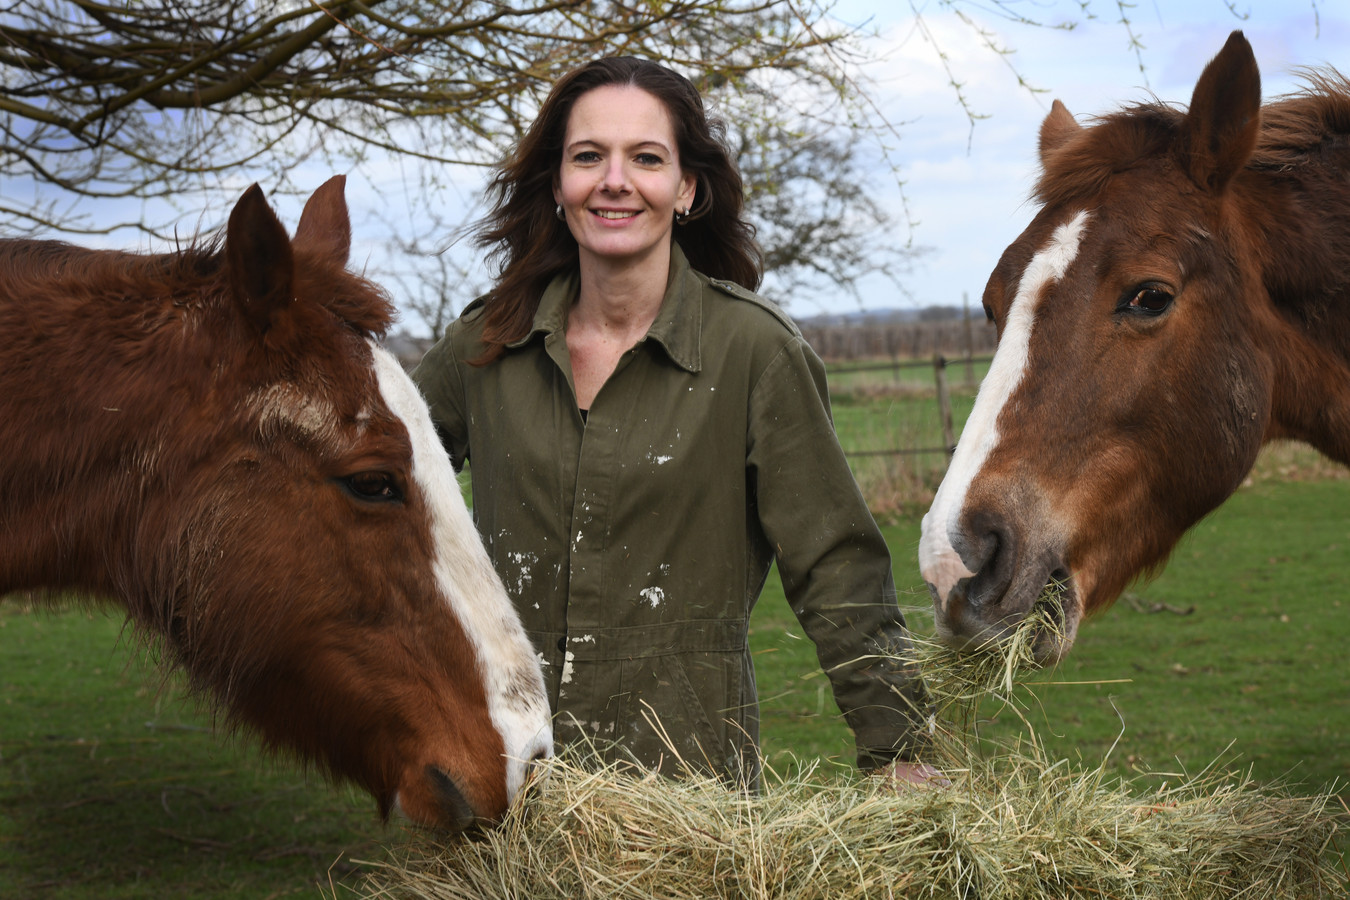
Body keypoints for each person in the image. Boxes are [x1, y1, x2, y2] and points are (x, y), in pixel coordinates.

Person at [412, 56, 937, 788]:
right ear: (558, 185)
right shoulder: (488, 345)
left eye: (646, 158)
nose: (614, 180)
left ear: (686, 188)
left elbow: (835, 564)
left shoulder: (755, 352)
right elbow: (373, 484)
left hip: (687, 794)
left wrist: (898, 747)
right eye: (588, 156)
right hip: (504, 782)